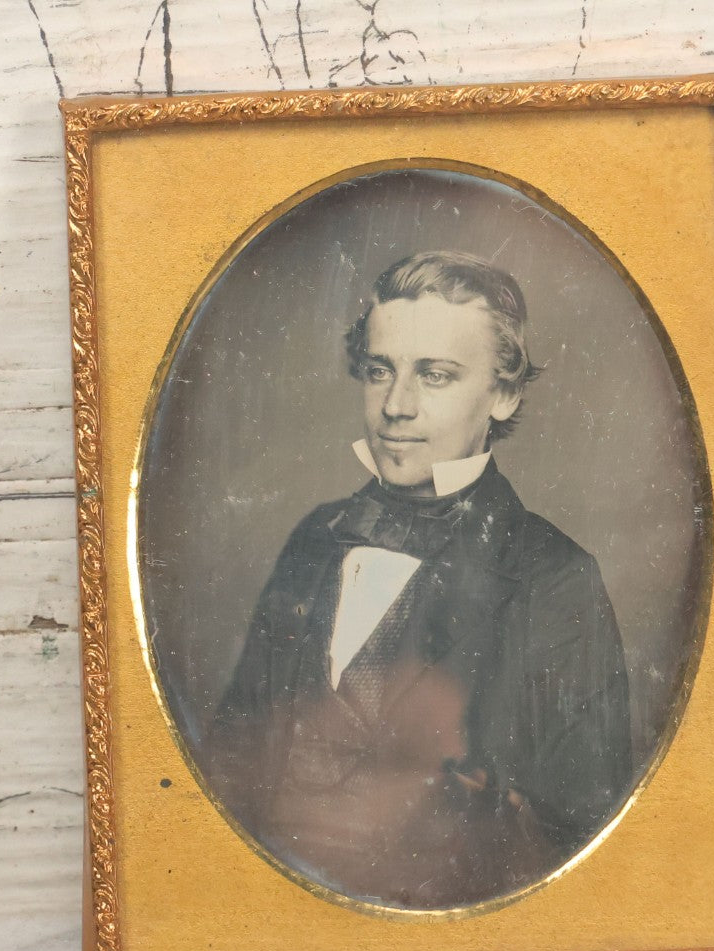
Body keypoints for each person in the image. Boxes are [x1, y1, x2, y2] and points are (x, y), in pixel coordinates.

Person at [208, 251, 632, 910]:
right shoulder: (317, 538)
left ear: (503, 392)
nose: (396, 407)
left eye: (434, 375)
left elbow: (578, 837)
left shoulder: (554, 579)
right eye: (381, 371)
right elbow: (229, 765)